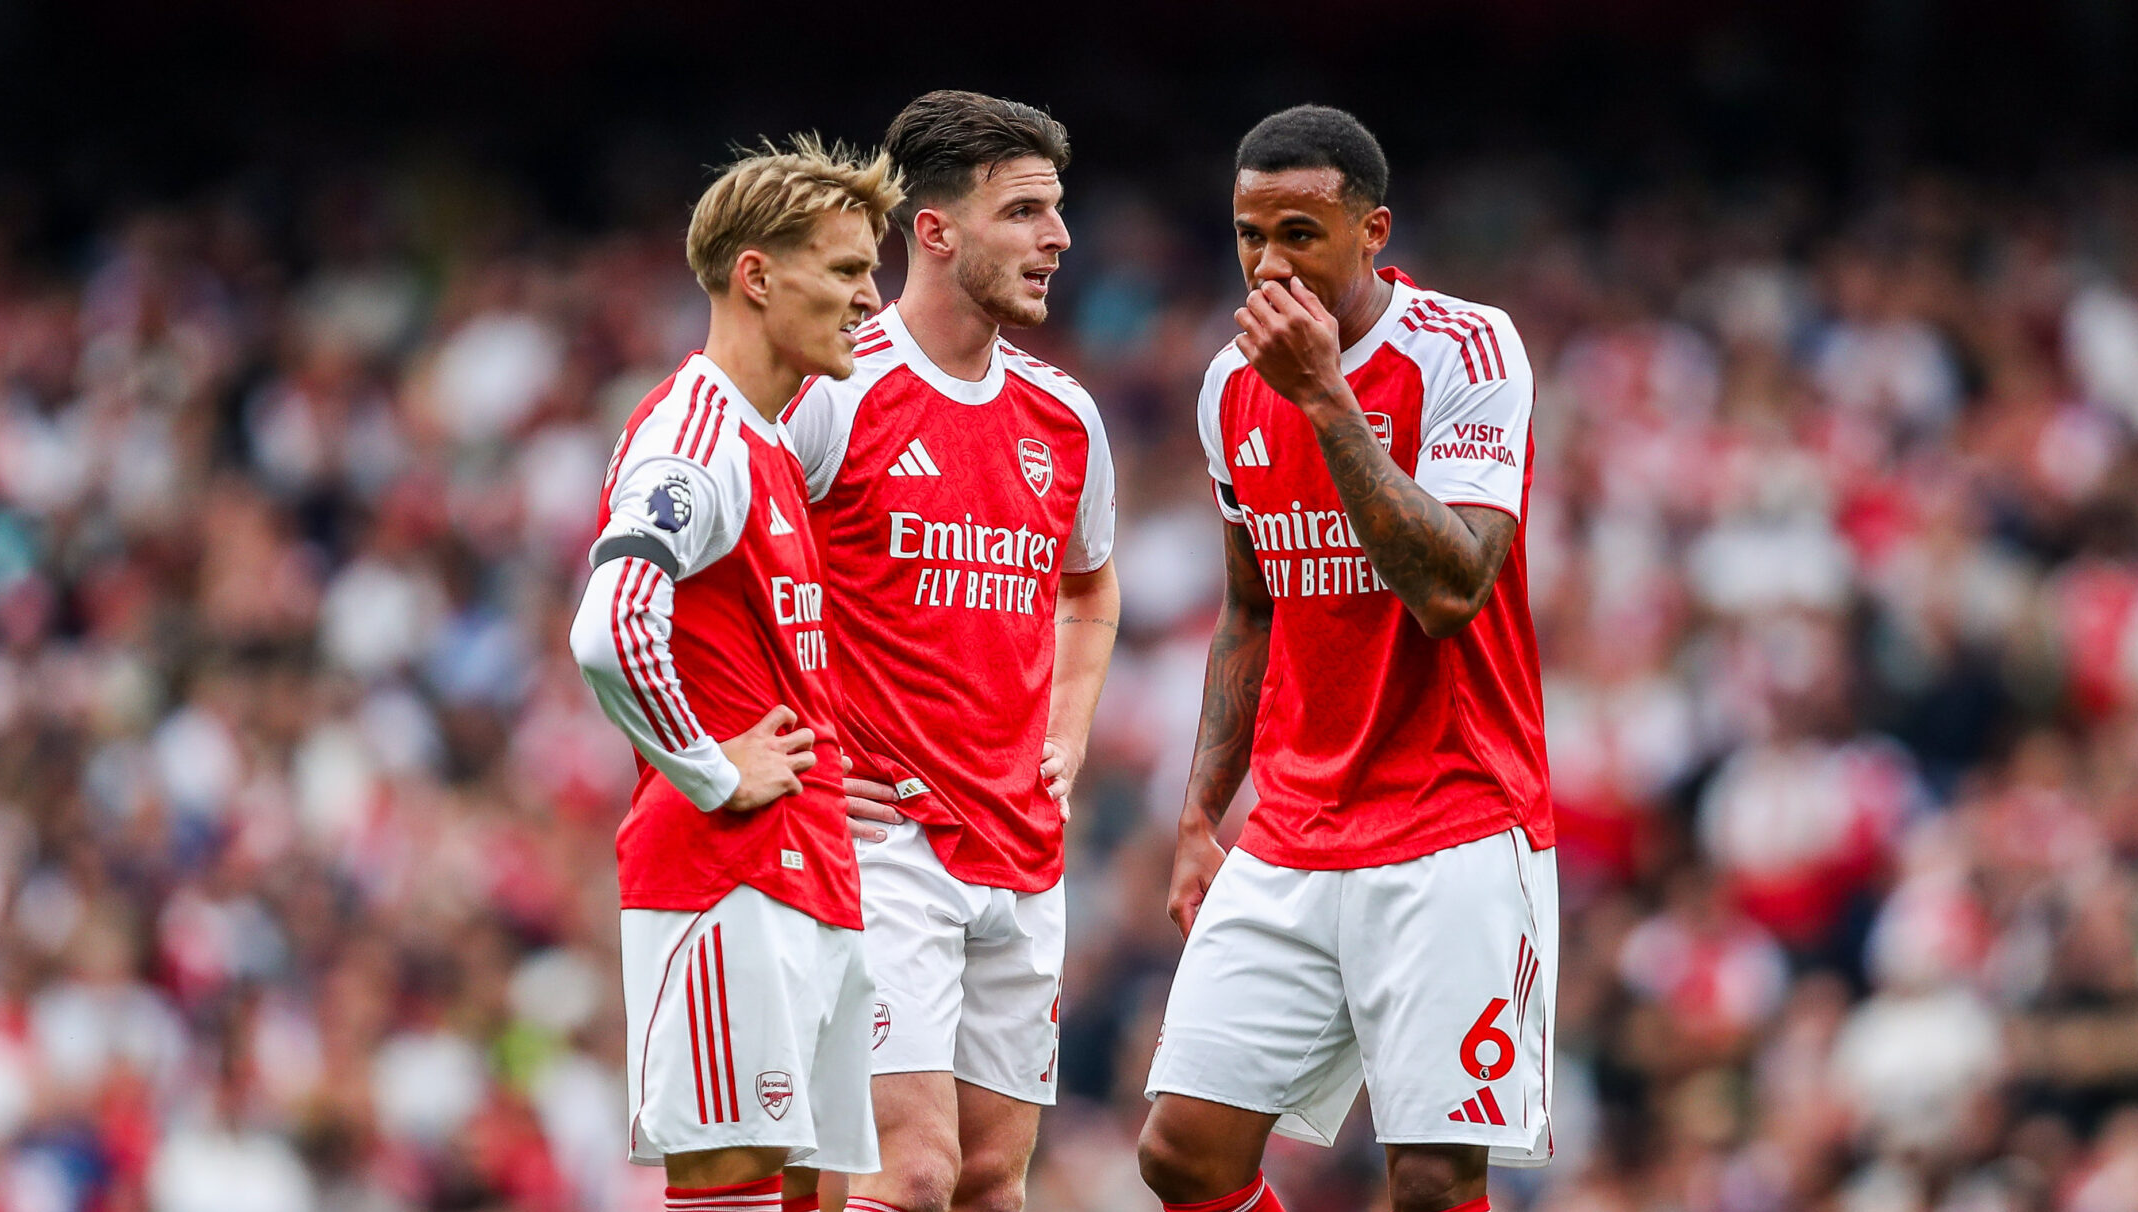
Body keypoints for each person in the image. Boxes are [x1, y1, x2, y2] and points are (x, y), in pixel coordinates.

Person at [1137, 105, 1557, 1212]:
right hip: (1295, 828)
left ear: (1373, 231)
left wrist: (1325, 395)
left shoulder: (1468, 349)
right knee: (1182, 1153)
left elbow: (1455, 588)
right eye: (1248, 234)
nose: (1269, 262)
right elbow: (1249, 605)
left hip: (1453, 819)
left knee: (1426, 1178)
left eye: (1299, 233)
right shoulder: (1228, 383)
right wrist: (1198, 813)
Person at [782, 92, 1120, 1212]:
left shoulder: (1064, 418)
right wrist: (781, 755)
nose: (1057, 238)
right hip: (883, 841)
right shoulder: (835, 393)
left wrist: (1064, 738)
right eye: (1024, 211)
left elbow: (1091, 588)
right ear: (934, 232)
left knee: (986, 1182)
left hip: (1020, 850)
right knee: (909, 1171)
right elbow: (711, 580)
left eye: (1056, 211)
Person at [568, 138, 902, 1212]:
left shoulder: (767, 441)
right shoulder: (694, 434)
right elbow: (611, 625)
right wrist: (713, 771)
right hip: (724, 878)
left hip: (806, 874)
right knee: (737, 1193)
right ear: (756, 275)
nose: (868, 297)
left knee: (816, 1197)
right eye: (846, 271)